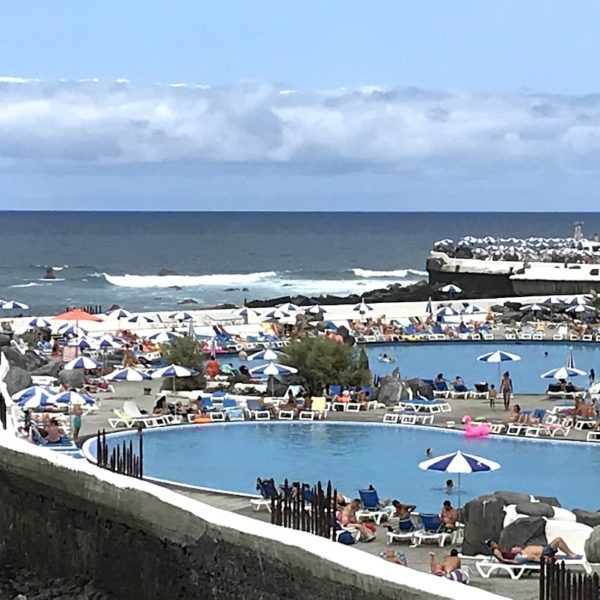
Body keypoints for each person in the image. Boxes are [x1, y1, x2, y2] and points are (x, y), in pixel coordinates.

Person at [485, 538, 578, 564]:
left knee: (558, 540)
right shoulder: (496, 551)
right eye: (492, 544)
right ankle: (570, 554)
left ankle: (570, 553)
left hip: (543, 551)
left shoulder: (522, 552)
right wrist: (512, 561)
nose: (495, 544)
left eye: (494, 542)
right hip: (543, 553)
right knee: (558, 540)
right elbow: (503, 560)